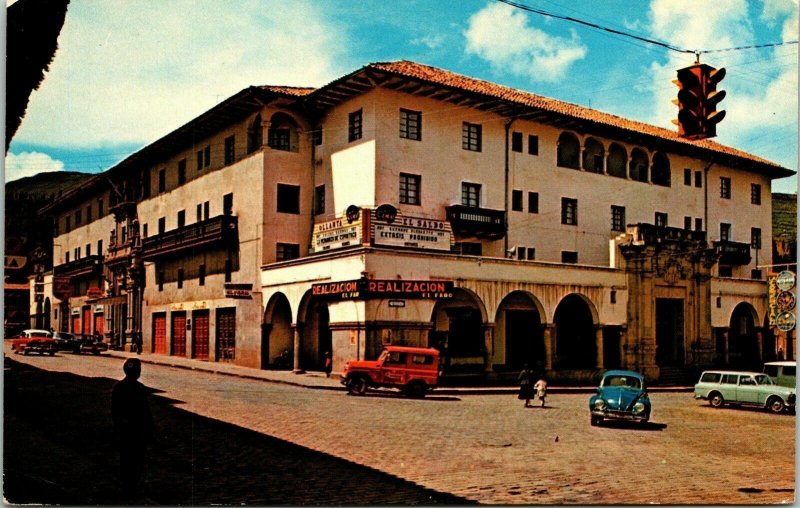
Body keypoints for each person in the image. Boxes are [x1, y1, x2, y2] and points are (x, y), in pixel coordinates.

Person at [112, 358, 154, 500]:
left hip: (132, 430)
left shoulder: (122, 387)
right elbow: (116, 412)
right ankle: (129, 486)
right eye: (137, 370)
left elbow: (145, 411)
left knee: (131, 459)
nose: (138, 372)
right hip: (131, 430)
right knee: (133, 459)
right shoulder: (131, 388)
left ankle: (130, 485)